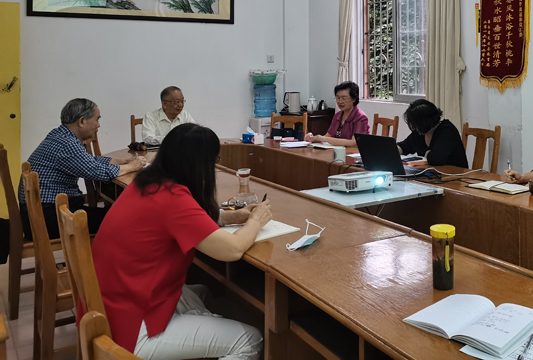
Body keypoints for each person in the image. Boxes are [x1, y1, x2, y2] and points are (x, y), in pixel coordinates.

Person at [90, 123, 271, 359]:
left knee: (203, 292)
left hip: (110, 304)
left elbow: (185, 221)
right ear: (200, 164)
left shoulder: (148, 184)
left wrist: (233, 216)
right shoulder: (173, 198)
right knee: (251, 340)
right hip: (131, 328)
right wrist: (256, 221)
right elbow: (233, 249)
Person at [18, 98, 146, 239]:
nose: (98, 125)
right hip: (50, 218)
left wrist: (123, 161)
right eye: (97, 119)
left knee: (116, 215)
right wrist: (131, 166)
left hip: (42, 213)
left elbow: (90, 161)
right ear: (82, 121)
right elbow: (98, 172)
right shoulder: (67, 143)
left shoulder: (60, 135)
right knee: (125, 220)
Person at [396, 99, 468, 168]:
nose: (415, 127)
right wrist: (393, 150)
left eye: (416, 124)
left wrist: (429, 155)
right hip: (431, 172)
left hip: (454, 173)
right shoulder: (421, 131)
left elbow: (436, 159)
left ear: (425, 122)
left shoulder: (447, 131)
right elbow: (404, 147)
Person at [304, 81, 369, 146]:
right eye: (338, 98)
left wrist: (323, 139)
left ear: (354, 99)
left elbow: (354, 143)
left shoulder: (361, 117)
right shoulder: (338, 115)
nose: (340, 101)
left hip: (354, 152)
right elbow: (327, 136)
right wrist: (312, 138)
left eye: (344, 98)